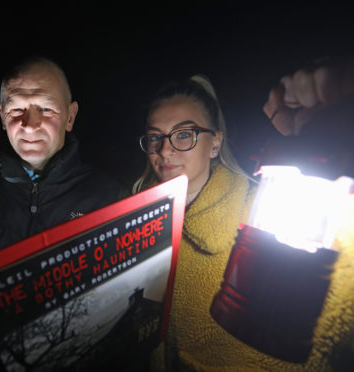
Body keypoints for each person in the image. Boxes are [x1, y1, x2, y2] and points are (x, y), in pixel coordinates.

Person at [135, 74, 354, 371]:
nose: (164, 150)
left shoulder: (270, 208)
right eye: (155, 137)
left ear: (215, 143)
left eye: (184, 134)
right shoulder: (138, 222)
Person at [0, 56, 127, 270]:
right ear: (2, 116)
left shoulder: (112, 199)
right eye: (16, 110)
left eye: (46, 109)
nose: (30, 125)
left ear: (70, 117)